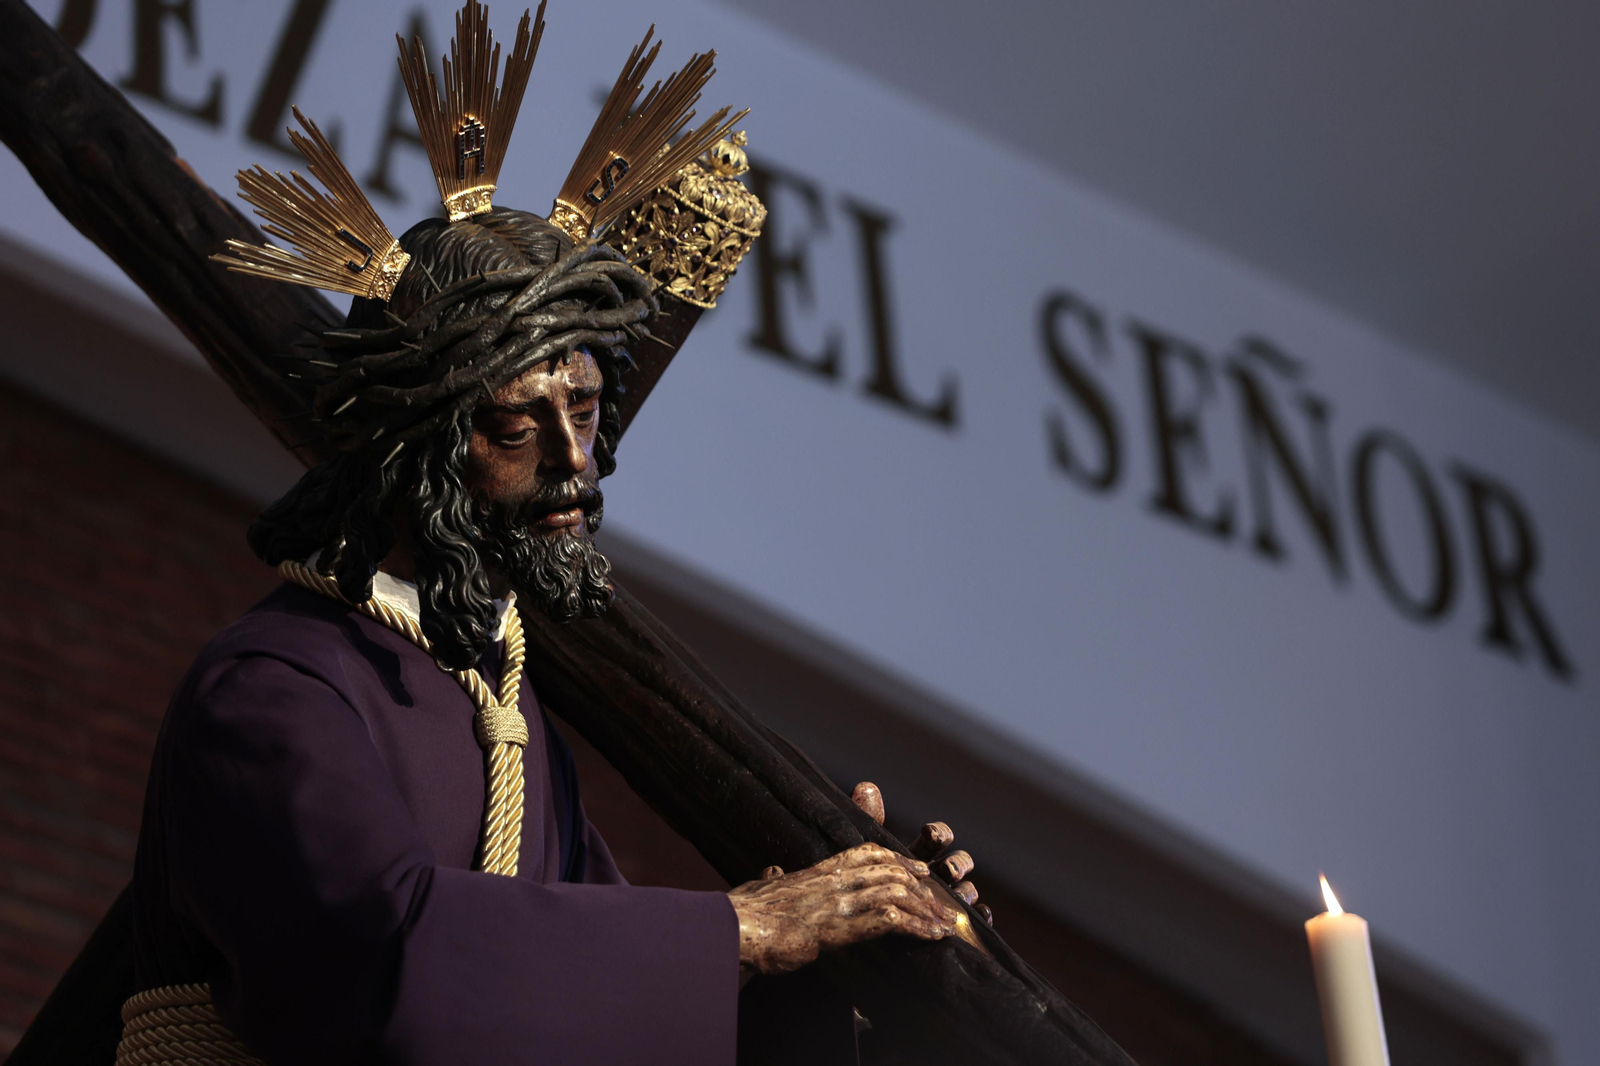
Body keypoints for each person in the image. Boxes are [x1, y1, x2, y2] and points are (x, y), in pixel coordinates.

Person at [119, 4, 982, 1063]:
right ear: (417, 445)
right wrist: (744, 931)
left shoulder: (509, 714)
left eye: (584, 410)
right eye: (519, 426)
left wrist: (851, 947)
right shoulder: (272, 689)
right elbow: (375, 964)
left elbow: (596, 1021)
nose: (577, 462)